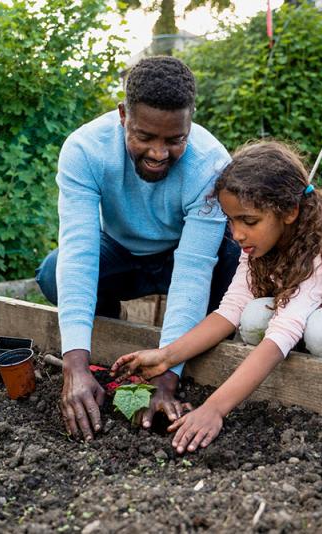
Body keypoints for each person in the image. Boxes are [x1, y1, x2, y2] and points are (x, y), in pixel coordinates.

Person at [111, 140, 322, 454]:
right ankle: (309, 373)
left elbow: (285, 329)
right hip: (312, 318)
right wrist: (166, 356)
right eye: (232, 220)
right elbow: (231, 310)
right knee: (251, 316)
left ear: (289, 212)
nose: (237, 234)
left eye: (249, 221)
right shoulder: (257, 249)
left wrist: (214, 408)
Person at [35, 56, 240, 441]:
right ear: (122, 116)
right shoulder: (85, 150)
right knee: (53, 272)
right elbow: (79, 251)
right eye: (145, 137)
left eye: (174, 140)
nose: (159, 153)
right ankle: (104, 349)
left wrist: (166, 380)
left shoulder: (210, 165)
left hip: (183, 254)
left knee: (234, 254)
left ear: (189, 125)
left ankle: (208, 348)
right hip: (121, 251)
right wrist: (74, 364)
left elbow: (193, 271)